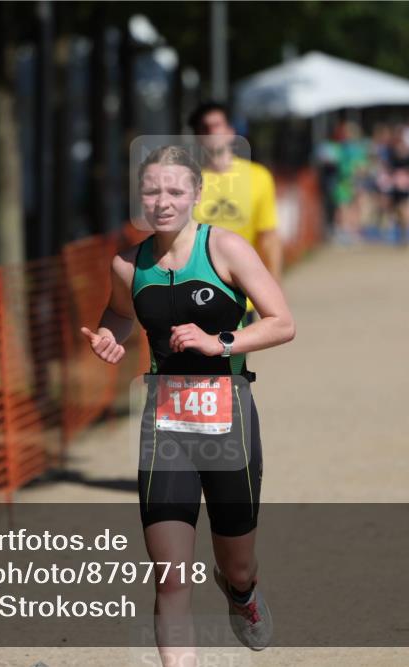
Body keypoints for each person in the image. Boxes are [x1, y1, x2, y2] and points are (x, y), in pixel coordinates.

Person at [80, 146, 296, 664]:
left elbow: (281, 322)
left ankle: (241, 594)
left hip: (229, 422)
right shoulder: (128, 264)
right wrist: (111, 337)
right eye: (152, 190)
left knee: (237, 565)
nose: (162, 201)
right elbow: (117, 313)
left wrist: (219, 342)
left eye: (175, 191)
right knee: (171, 576)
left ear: (197, 195)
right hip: (166, 428)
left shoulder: (226, 249)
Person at [187, 102, 282, 321]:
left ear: (231, 131)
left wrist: (274, 288)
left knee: (234, 355)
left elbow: (268, 236)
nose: (212, 132)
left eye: (217, 125)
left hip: (242, 294)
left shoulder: (259, 177)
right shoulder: (186, 180)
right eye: (204, 128)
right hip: (195, 293)